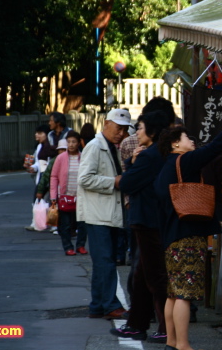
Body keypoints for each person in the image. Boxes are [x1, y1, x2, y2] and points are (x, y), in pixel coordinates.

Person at [155, 103, 222, 350]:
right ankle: (183, 344)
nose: (191, 140)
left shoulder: (167, 167)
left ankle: (171, 341)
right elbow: (214, 148)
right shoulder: (185, 161)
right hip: (187, 236)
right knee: (184, 294)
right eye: (187, 137)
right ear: (175, 144)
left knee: (173, 292)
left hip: (171, 237)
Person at [110, 110, 171, 343]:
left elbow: (127, 182)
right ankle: (137, 324)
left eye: (141, 127)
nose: (138, 132)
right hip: (153, 220)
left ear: (153, 131)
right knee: (142, 275)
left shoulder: (150, 155)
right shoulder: (159, 153)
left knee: (154, 276)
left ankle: (165, 328)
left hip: (146, 221)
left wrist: (130, 162)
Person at [77, 108, 133, 320]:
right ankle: (109, 305)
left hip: (106, 212)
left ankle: (98, 305)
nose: (121, 133)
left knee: (103, 261)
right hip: (97, 212)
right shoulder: (94, 146)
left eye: (124, 130)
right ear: (106, 124)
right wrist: (114, 182)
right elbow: (84, 179)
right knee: (105, 261)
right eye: (118, 128)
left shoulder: (111, 146)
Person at [51, 131, 88, 256]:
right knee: (65, 225)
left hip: (81, 196)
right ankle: (68, 247)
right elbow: (54, 176)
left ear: (79, 143)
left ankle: (81, 245)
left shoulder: (84, 157)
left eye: (74, 142)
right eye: (69, 142)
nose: (71, 145)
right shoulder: (60, 158)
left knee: (82, 223)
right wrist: (53, 196)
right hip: (65, 196)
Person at [24, 125, 54, 231]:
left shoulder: (50, 146)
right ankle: (37, 222)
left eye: (40, 133)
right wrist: (33, 168)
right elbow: (38, 163)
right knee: (38, 200)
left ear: (47, 135)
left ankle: (51, 224)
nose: (37, 135)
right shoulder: (39, 146)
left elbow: (48, 163)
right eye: (37, 132)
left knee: (47, 200)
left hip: (48, 176)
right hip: (41, 175)